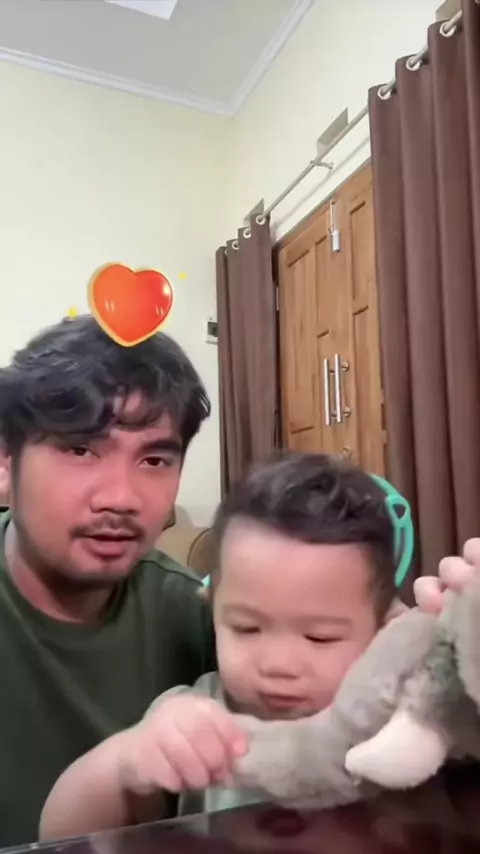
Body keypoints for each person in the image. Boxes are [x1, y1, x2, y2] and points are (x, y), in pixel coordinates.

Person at [40, 452, 412, 838]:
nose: (278, 664)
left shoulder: (405, 721)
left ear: (384, 628)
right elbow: (60, 835)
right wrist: (123, 761)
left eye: (319, 636)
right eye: (247, 628)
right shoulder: (192, 721)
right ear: (212, 604)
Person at [0, 315, 218, 848]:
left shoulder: (200, 614)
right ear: (6, 464)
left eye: (154, 459)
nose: (121, 497)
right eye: (81, 450)